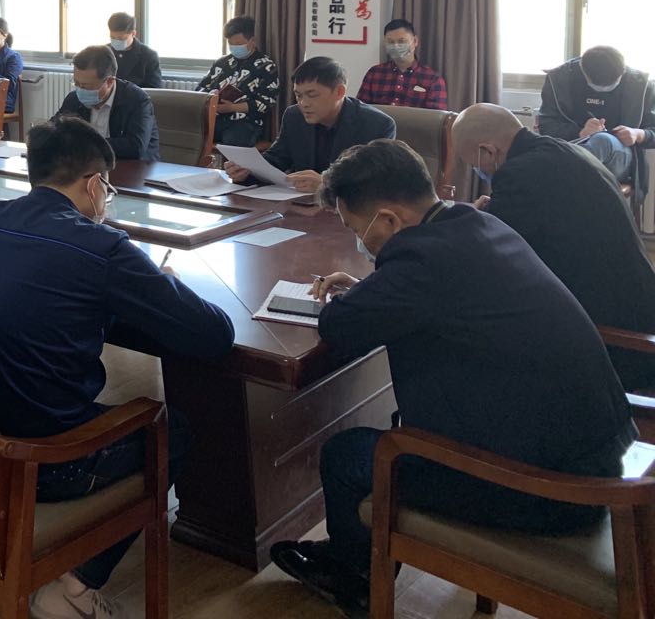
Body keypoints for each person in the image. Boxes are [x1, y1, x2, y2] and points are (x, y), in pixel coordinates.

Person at [271, 140, 635, 615]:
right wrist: (375, 290)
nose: (360, 241)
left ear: (388, 220)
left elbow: (339, 326)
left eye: (356, 229)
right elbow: (443, 295)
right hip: (598, 453)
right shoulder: (476, 223)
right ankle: (358, 557)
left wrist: (367, 295)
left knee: (346, 455)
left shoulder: (420, 264)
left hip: (548, 492)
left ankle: (354, 577)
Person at [0, 117, 234, 619]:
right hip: (48, 458)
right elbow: (214, 334)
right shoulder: (101, 247)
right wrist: (161, 282)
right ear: (94, 184)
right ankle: (76, 587)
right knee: (172, 430)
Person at [453, 103, 655, 391]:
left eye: (473, 164)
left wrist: (473, 219)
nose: (478, 172)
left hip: (613, 345)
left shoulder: (519, 174)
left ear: (488, 151)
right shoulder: (564, 152)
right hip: (638, 310)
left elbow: (491, 256)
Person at [228, 56, 394, 193]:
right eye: (299, 96)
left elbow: (375, 182)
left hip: (349, 213)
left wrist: (327, 184)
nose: (303, 104)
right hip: (301, 207)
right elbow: (277, 159)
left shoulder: (377, 124)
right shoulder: (294, 116)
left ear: (339, 92)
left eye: (312, 95)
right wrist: (247, 171)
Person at [538, 45, 655, 193]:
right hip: (571, 148)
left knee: (602, 140)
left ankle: (554, 177)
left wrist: (638, 134)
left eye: (612, 84)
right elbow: (546, 126)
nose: (604, 88)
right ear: (583, 71)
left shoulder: (640, 85)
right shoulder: (560, 79)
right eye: (597, 85)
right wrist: (580, 132)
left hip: (619, 157)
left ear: (623, 71)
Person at [54, 44, 158, 160]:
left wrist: (85, 143)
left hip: (134, 166)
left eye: (86, 86)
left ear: (109, 82)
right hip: (90, 165)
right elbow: (53, 130)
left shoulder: (137, 101)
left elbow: (135, 147)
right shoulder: (74, 99)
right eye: (76, 83)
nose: (80, 90)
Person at [196, 15, 280, 147]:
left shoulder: (266, 66)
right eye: (231, 44)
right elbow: (200, 89)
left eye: (239, 44)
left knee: (234, 139)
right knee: (191, 130)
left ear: (252, 41)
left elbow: (267, 102)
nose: (234, 48)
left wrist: (232, 107)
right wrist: (211, 95)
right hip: (215, 118)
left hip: (245, 122)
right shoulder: (221, 63)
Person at [356, 19, 448, 110]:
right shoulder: (374, 73)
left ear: (415, 41)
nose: (396, 46)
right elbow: (360, 110)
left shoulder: (433, 79)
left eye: (401, 41)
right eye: (391, 42)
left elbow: (436, 117)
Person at [107, 11, 162, 89]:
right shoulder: (104, 52)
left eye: (121, 38)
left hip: (136, 96)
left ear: (133, 33)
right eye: (112, 37)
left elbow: (153, 88)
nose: (116, 41)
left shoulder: (149, 55)